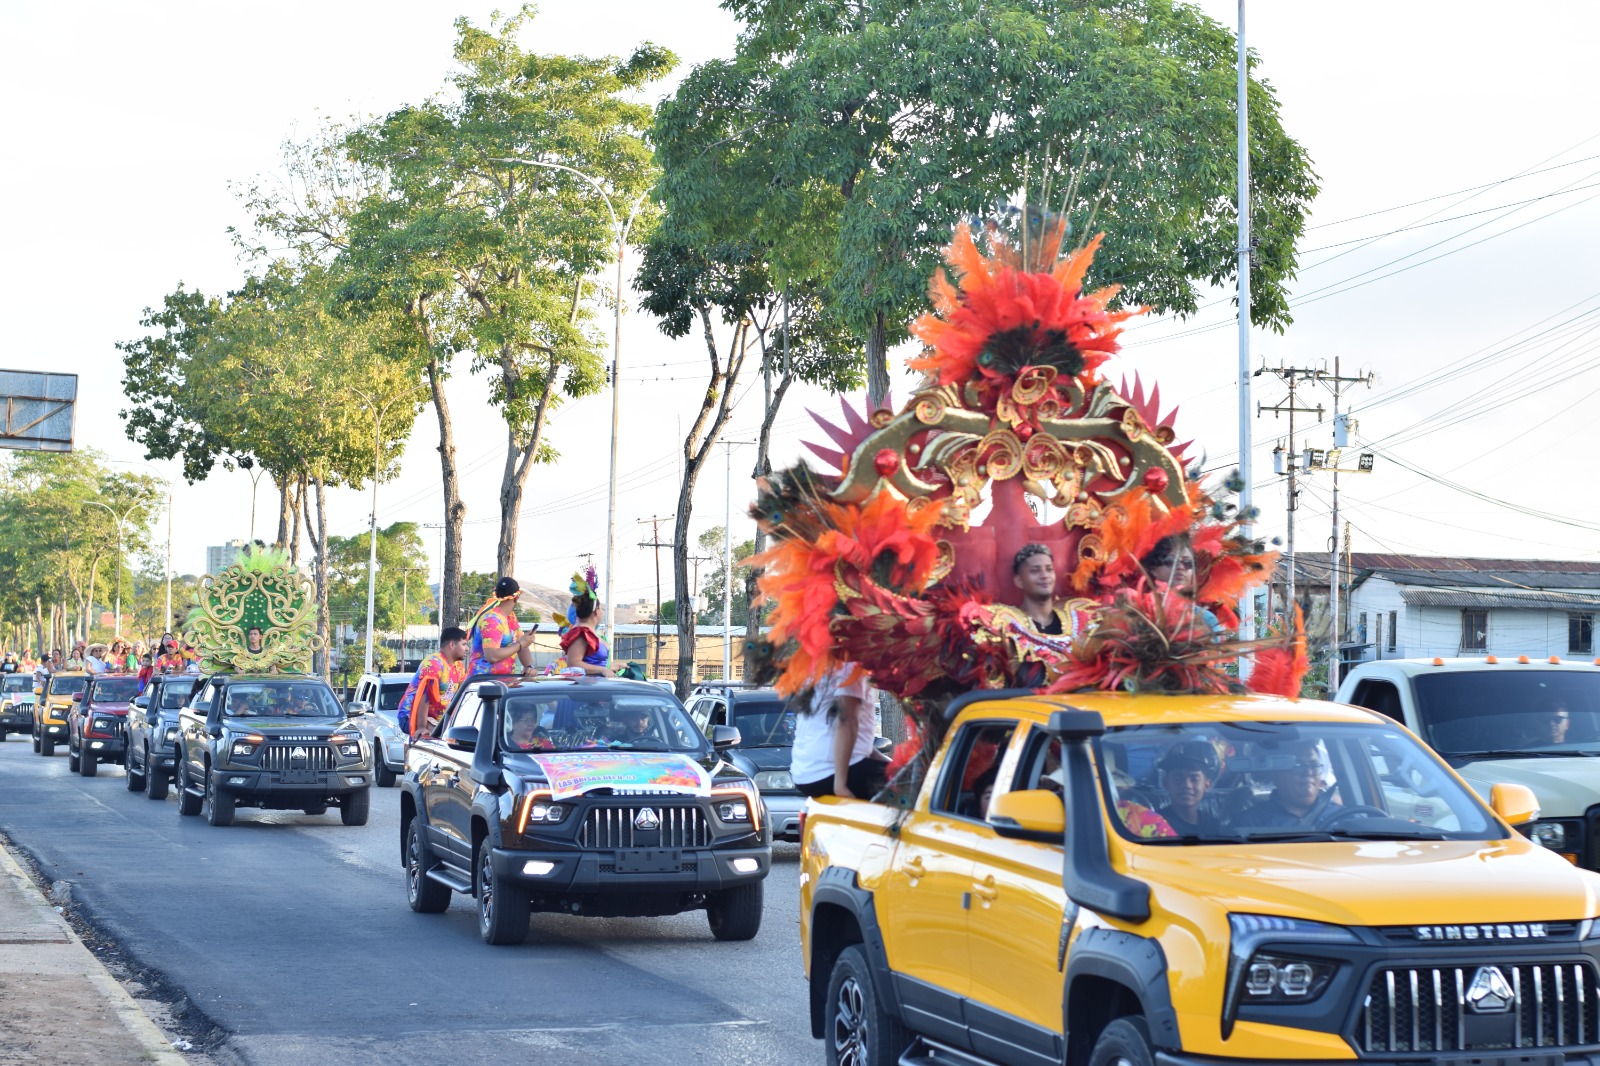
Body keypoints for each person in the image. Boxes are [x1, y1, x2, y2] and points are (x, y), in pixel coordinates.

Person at [792, 664, 890, 800]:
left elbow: (855, 739)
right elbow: (847, 720)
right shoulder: (849, 666)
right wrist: (840, 785)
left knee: (902, 774)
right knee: (913, 785)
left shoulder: (818, 667)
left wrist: (890, 764)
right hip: (831, 772)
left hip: (805, 773)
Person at [1238, 740, 1334, 828]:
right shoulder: (1249, 823)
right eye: (1297, 765)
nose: (1308, 772)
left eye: (1314, 765)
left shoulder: (1338, 816)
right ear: (1275, 774)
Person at [398, 627, 470, 739]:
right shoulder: (433, 664)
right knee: (440, 735)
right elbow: (424, 696)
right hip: (411, 714)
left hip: (437, 719)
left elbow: (461, 695)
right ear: (452, 645)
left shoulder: (458, 666)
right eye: (464, 644)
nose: (467, 649)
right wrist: (422, 727)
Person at [1011, 544, 1087, 639]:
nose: (1044, 575)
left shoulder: (1076, 621)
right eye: (1035, 571)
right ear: (1019, 581)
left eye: (1049, 569)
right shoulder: (1011, 626)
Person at [466, 578, 537, 677]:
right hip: (484, 682)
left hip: (503, 681)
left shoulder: (511, 617)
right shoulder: (491, 619)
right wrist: (520, 644)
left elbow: (522, 644)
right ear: (516, 597)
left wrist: (529, 666)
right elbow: (492, 656)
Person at [1156, 740, 1227, 837]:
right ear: (1166, 783)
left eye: (1194, 779)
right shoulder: (1154, 825)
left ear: (1207, 785)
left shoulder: (1215, 826)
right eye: (1178, 779)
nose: (1187, 785)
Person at [561, 586, 614, 677]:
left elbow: (597, 663)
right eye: (600, 608)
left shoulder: (591, 633)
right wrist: (602, 670)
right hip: (587, 684)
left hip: (598, 683)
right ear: (596, 611)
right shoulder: (581, 634)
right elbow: (573, 664)